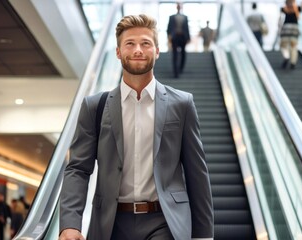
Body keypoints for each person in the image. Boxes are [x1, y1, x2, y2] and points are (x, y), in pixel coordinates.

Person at [59, 14, 214, 240]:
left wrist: (203, 235)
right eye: (130, 44)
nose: (138, 50)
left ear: (157, 51)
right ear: (118, 52)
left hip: (165, 221)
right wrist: (70, 224)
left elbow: (196, 172)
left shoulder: (181, 104)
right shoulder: (95, 107)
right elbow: (78, 169)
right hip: (111, 224)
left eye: (145, 43)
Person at [167, 3, 191, 78]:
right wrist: (169, 37)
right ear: (176, 7)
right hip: (175, 37)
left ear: (181, 7)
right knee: (175, 54)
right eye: (178, 6)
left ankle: (181, 68)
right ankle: (175, 72)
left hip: (183, 37)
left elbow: (187, 28)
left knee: (183, 53)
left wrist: (188, 38)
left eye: (180, 6)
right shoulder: (171, 17)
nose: (179, 7)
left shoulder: (185, 17)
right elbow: (169, 28)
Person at [279, 0, 302, 69]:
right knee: (293, 46)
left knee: (284, 46)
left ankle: (286, 56)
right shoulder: (297, 8)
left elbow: (280, 19)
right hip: (294, 30)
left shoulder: (283, 9)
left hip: (286, 29)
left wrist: (279, 29)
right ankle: (293, 62)